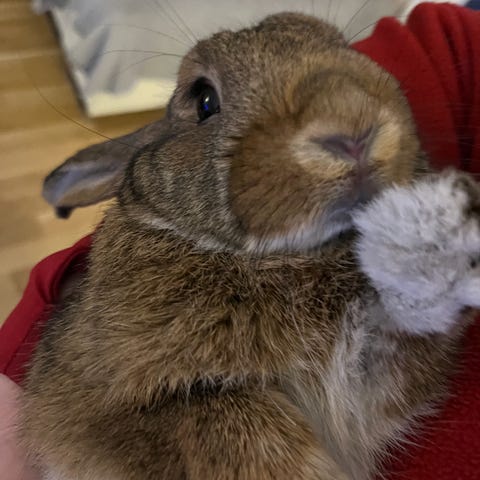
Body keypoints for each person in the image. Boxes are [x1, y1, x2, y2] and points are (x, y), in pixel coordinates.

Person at [1, 3, 479, 479]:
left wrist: (424, 296)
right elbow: (98, 390)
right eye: (206, 101)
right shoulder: (146, 267)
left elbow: (379, 374)